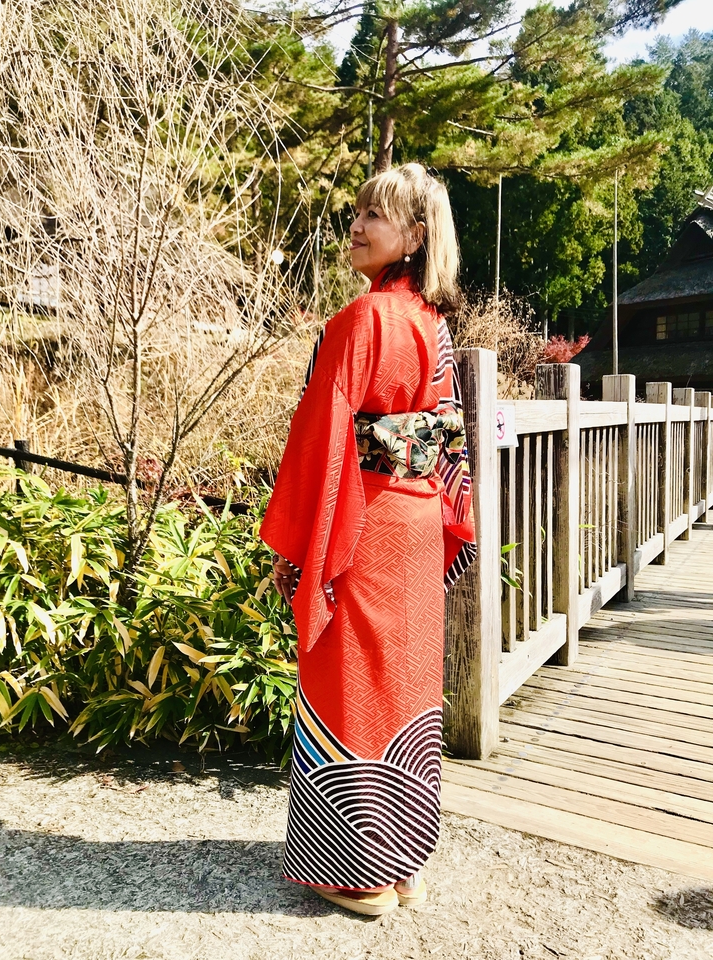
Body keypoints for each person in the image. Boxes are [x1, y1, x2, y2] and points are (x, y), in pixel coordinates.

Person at [260, 162, 476, 917]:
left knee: (347, 680)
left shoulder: (357, 323)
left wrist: (300, 546)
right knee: (405, 683)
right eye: (356, 212)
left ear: (414, 237)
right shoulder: (433, 325)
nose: (357, 226)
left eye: (374, 216)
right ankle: (403, 859)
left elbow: (321, 437)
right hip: (416, 521)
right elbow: (446, 440)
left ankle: (359, 874)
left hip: (361, 520)